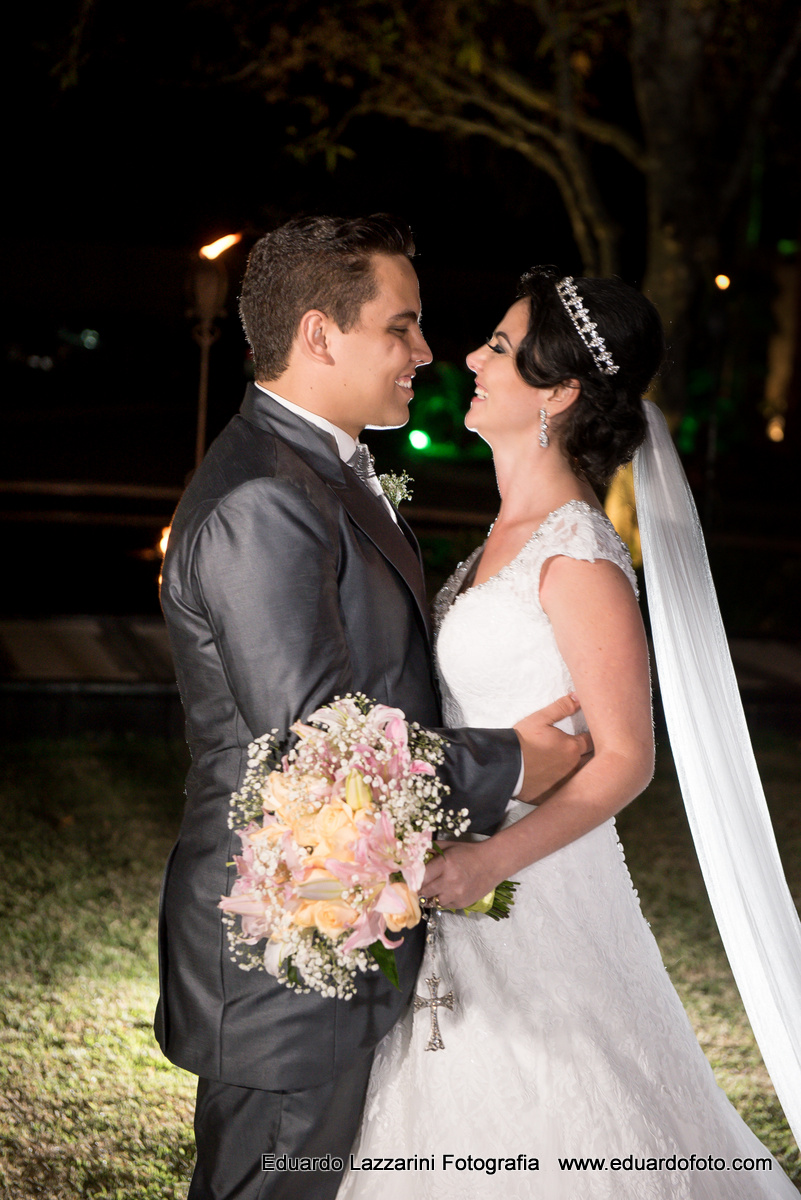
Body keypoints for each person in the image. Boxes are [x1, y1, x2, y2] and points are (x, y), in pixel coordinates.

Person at [338, 266, 800, 1198]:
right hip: (457, 879)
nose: (472, 360)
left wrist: (489, 862)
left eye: (500, 348)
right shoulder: (502, 537)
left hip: (536, 891)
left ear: (557, 393)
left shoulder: (577, 555)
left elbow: (626, 759)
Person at [155, 219, 589, 1200]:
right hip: (285, 936)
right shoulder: (264, 500)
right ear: (320, 335)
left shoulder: (316, 469)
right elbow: (315, 754)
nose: (426, 353)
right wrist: (512, 762)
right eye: (402, 327)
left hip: (337, 916)